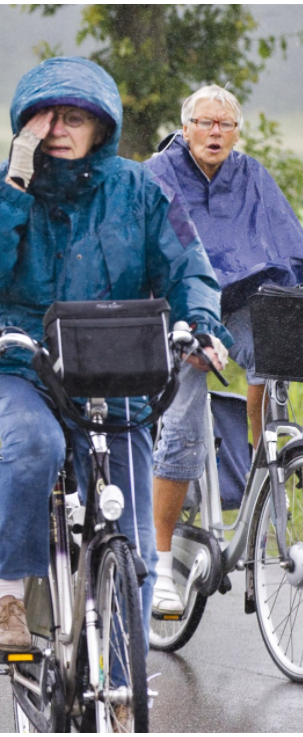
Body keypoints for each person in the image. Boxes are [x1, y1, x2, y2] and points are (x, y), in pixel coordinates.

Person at [0, 57, 229, 652]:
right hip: (17, 358)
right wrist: (14, 187)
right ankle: (8, 590)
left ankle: (122, 691)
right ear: (24, 129)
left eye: (75, 117)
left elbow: (187, 267)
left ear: (103, 126)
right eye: (44, 120)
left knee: (136, 545)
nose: (59, 130)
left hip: (115, 363)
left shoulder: (141, 190)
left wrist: (199, 325)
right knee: (35, 444)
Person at [148, 85, 303, 615]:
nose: (216, 133)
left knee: (278, 353)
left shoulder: (251, 174)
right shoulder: (158, 175)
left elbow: (290, 241)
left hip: (239, 301)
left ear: (237, 132)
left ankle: (267, 464)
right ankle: (162, 560)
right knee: (185, 423)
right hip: (180, 307)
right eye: (206, 123)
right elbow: (157, 255)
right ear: (185, 126)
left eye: (226, 125)